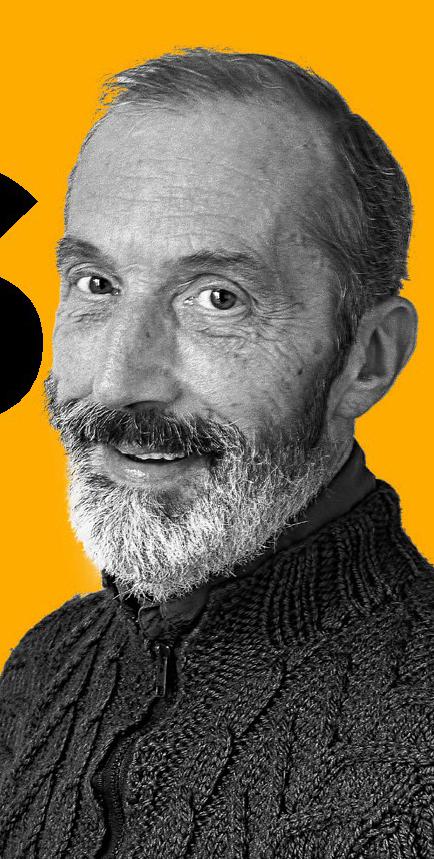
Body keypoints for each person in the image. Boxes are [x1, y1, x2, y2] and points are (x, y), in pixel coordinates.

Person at [0, 48, 432, 858]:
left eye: (217, 299)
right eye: (96, 284)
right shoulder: (45, 664)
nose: (118, 381)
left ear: (367, 360)